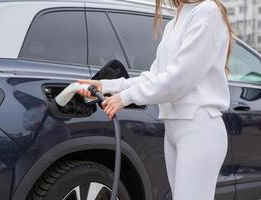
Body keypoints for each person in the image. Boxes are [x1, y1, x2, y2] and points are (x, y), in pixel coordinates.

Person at [77, 0, 233, 199]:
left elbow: (179, 80)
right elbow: (155, 76)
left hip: (198, 126)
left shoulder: (207, 11)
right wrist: (106, 86)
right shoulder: (175, 21)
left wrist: (124, 98)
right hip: (174, 127)